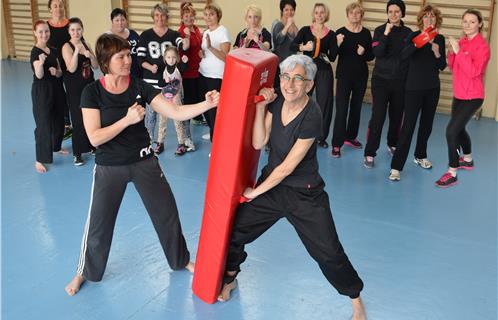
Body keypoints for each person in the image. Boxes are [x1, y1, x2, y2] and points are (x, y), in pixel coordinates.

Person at [64, 33, 219, 296]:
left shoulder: (139, 86)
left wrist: (207, 103)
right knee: (99, 224)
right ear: (106, 60)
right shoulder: (92, 92)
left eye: (128, 55)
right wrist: (126, 120)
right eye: (121, 57)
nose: (127, 60)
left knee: (167, 213)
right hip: (109, 166)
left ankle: (180, 260)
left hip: (144, 161)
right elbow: (94, 138)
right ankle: (85, 271)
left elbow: (174, 112)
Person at [217, 55, 366, 320]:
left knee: (328, 251)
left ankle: (355, 299)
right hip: (273, 189)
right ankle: (230, 278)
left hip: (303, 193)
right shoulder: (278, 105)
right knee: (235, 231)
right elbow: (258, 141)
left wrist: (255, 192)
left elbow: (287, 167)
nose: (290, 84)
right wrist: (263, 106)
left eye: (298, 79)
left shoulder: (313, 115)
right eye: (286, 77)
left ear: (309, 85)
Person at [389, 4, 446, 181]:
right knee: (408, 127)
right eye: (426, 16)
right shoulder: (413, 35)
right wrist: (420, 41)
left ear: (437, 20)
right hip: (413, 88)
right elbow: (404, 55)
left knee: (427, 126)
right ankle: (396, 167)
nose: (430, 19)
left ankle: (420, 155)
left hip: (432, 88)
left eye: (433, 16)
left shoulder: (440, 38)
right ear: (422, 19)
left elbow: (442, 66)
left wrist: (436, 52)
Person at [435, 8, 490, 187]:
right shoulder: (463, 42)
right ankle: (467, 159)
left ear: (480, 24)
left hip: (473, 96)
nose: (467, 25)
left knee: (451, 131)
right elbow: (454, 67)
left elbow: (474, 72)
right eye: (465, 21)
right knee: (458, 129)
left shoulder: (482, 47)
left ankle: (452, 172)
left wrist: (459, 52)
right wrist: (452, 52)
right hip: (459, 95)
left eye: (472, 21)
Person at [363, 0, 411, 168]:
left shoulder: (408, 33)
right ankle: (369, 152)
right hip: (381, 81)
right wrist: (386, 33)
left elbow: (409, 56)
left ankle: (392, 143)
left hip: (400, 82)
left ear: (402, 13)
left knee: (397, 117)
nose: (393, 14)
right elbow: (377, 52)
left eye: (397, 11)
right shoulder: (379, 30)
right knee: (378, 117)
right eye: (390, 11)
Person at [137, 3, 190, 154]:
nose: (160, 18)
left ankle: (184, 141)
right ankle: (149, 142)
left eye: (163, 15)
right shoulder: (145, 35)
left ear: (167, 17)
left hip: (171, 84)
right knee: (152, 115)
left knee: (176, 113)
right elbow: (140, 59)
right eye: (157, 16)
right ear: (153, 17)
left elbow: (183, 46)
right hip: (151, 82)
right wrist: (150, 67)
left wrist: (186, 38)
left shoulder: (173, 35)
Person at [291, 3, 337, 149]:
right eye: (316, 12)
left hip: (324, 71)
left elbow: (333, 57)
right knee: (301, 101)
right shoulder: (305, 30)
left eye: (322, 12)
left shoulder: (331, 34)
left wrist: (338, 43)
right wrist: (303, 47)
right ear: (313, 14)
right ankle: (297, 132)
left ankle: (321, 138)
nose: (319, 15)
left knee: (325, 104)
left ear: (326, 15)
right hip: (307, 70)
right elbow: (292, 46)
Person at [331, 2, 374, 157]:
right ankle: (336, 144)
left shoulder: (366, 33)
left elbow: (371, 56)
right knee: (342, 110)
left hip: (361, 76)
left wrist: (364, 53)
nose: (355, 16)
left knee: (356, 108)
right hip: (344, 76)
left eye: (357, 13)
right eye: (352, 13)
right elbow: (333, 55)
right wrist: (337, 43)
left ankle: (350, 137)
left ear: (361, 15)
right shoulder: (340, 32)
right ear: (347, 15)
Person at [30, 20, 67, 173]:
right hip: (42, 90)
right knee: (43, 123)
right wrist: (40, 64)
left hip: (57, 88)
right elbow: (38, 75)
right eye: (40, 32)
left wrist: (56, 72)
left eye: (46, 31)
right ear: (35, 33)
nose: (44, 34)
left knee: (59, 120)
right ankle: (40, 159)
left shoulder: (53, 50)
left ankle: (56, 147)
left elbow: (60, 72)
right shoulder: (35, 52)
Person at [62, 17, 98, 166]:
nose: (76, 32)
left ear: (82, 30)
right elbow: (71, 68)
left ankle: (91, 145)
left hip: (89, 85)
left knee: (91, 116)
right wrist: (77, 52)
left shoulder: (87, 44)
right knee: (77, 119)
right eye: (73, 30)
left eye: (78, 29)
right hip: (75, 88)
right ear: (69, 31)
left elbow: (95, 66)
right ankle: (77, 153)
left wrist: (90, 55)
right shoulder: (67, 46)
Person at [198, 3, 231, 143]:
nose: (208, 17)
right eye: (206, 15)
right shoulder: (206, 32)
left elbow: (225, 56)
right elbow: (205, 52)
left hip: (216, 76)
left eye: (211, 14)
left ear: (218, 15)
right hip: (203, 73)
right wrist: (202, 53)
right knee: (204, 105)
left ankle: (216, 141)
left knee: (213, 109)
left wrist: (210, 47)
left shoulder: (223, 31)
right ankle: (213, 129)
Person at [159, 46, 195, 155]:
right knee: (162, 120)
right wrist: (164, 82)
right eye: (168, 57)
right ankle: (160, 142)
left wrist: (185, 62)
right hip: (164, 96)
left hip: (176, 97)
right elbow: (160, 83)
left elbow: (184, 68)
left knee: (177, 120)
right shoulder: (163, 68)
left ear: (177, 58)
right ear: (165, 58)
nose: (171, 60)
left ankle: (181, 143)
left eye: (173, 57)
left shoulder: (179, 67)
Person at [46, 0, 71, 138]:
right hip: (53, 68)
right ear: (50, 9)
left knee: (71, 94)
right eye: (55, 6)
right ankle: (63, 124)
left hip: (69, 66)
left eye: (60, 6)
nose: (58, 8)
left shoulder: (70, 25)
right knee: (57, 95)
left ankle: (73, 123)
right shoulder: (46, 27)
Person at [178, 2, 205, 126]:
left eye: (191, 15)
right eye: (186, 16)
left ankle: (198, 117)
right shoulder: (181, 32)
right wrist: (187, 37)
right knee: (190, 97)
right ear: (182, 17)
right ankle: (188, 123)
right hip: (188, 71)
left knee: (198, 95)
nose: (189, 18)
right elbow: (183, 50)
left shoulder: (197, 28)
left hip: (199, 68)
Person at [271, 0, 298, 93]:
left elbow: (297, 43)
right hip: (279, 66)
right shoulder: (278, 24)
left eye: (291, 9)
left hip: (290, 67)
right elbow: (277, 40)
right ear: (282, 11)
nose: (289, 12)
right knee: (279, 92)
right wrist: (287, 26)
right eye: (286, 9)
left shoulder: (293, 25)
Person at [108, 8, 142, 78]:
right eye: (117, 20)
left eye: (122, 20)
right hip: (119, 75)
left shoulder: (133, 33)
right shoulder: (108, 37)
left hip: (136, 72)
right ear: (112, 21)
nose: (120, 23)